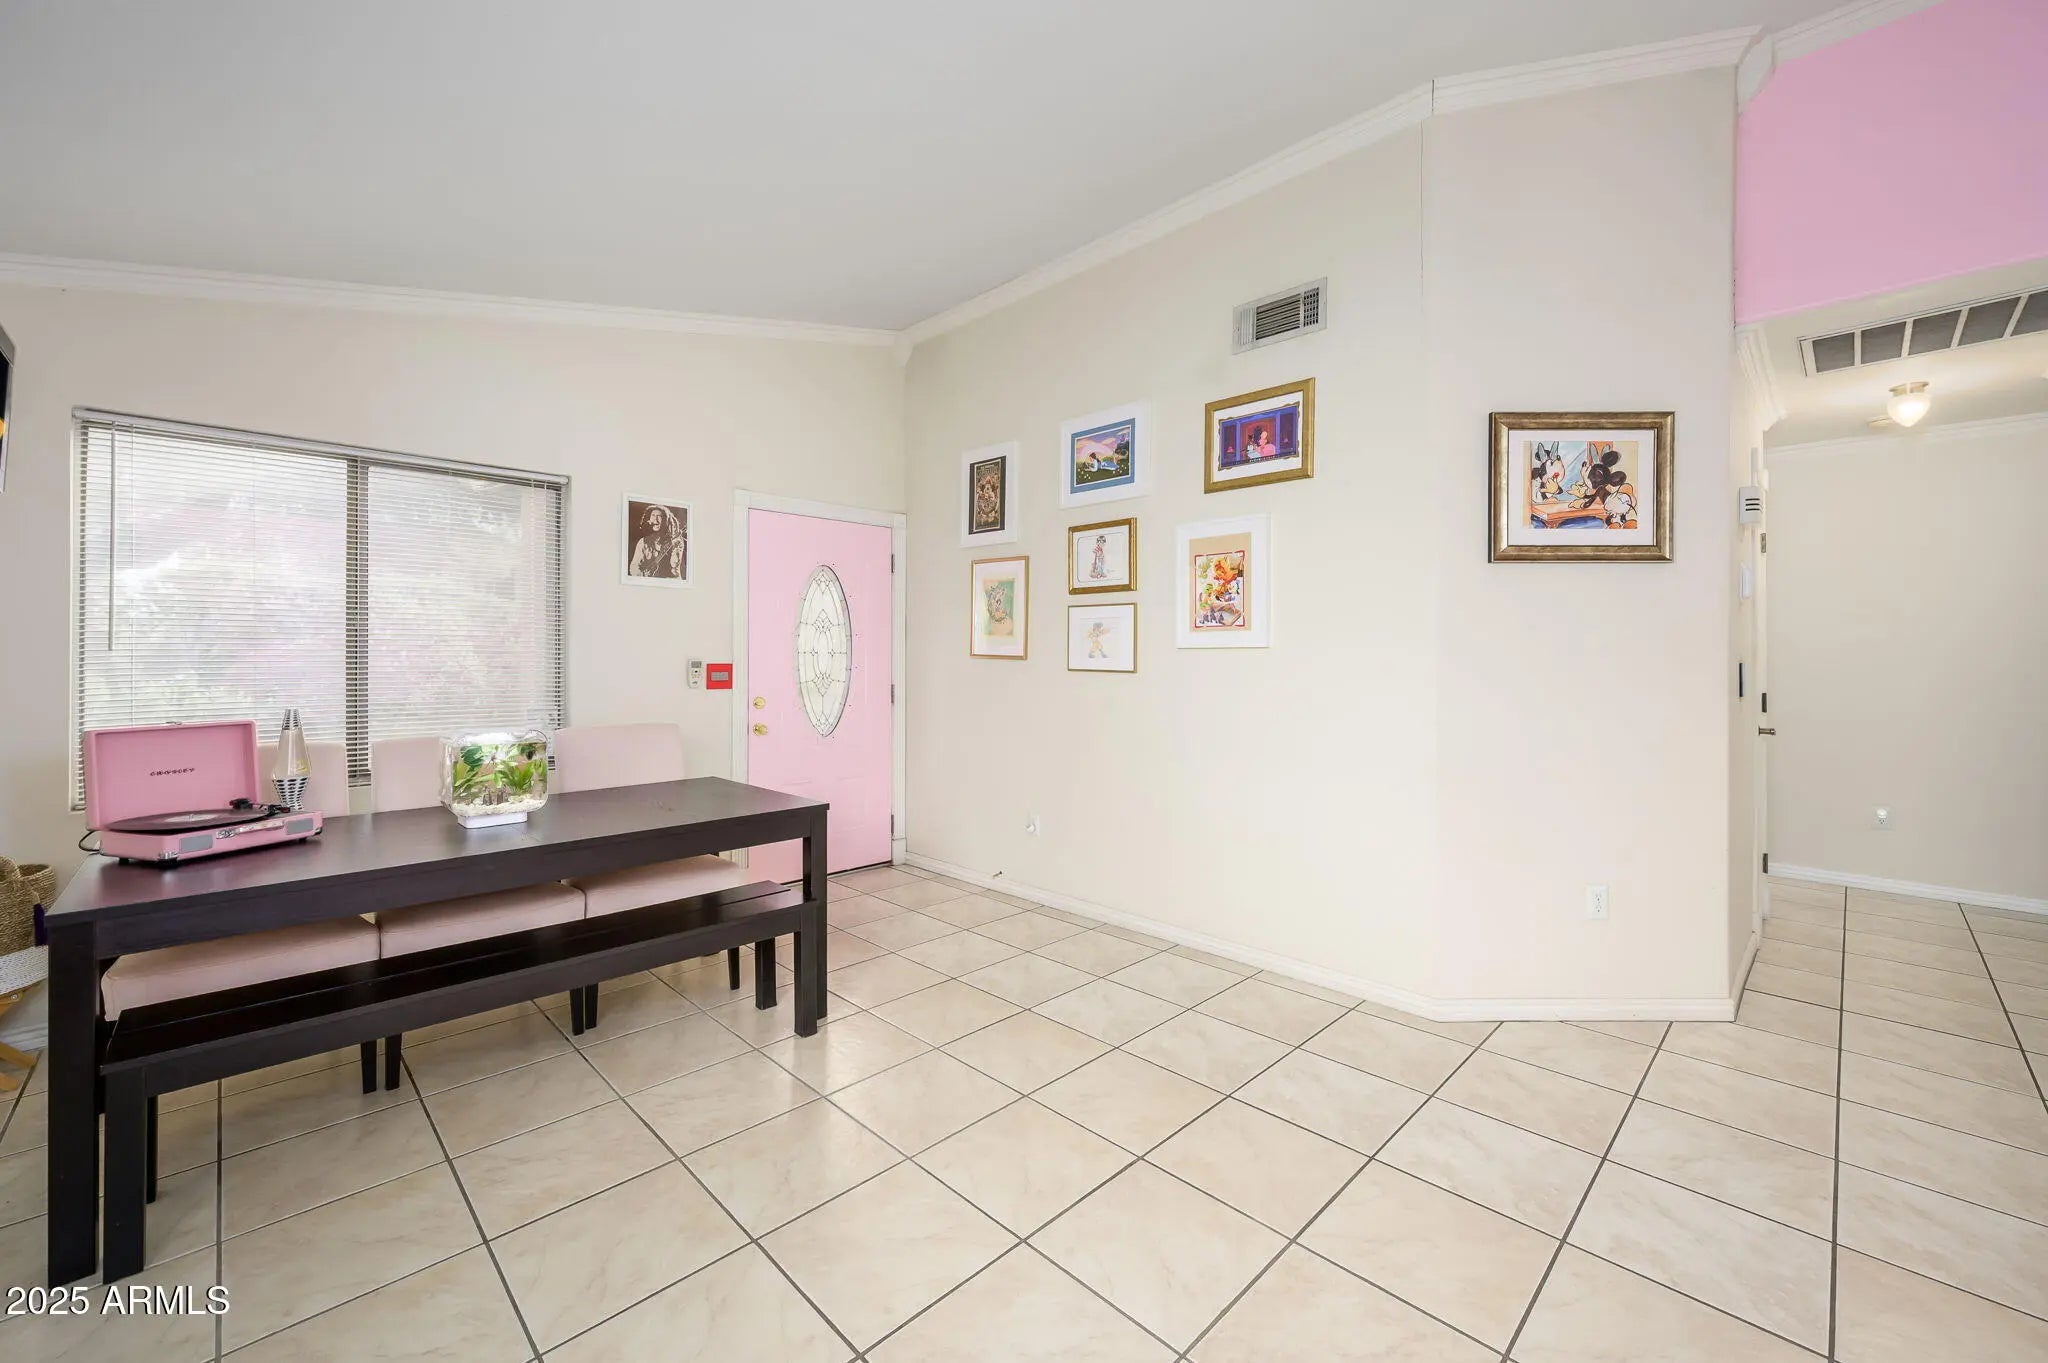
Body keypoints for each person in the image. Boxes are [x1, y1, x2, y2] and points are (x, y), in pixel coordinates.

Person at [629, 504, 685, 578]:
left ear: (666, 520)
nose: (655, 519)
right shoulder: (643, 542)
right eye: (653, 515)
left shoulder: (675, 540)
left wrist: (676, 546)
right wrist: (642, 576)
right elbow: (634, 567)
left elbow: (674, 568)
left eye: (659, 516)